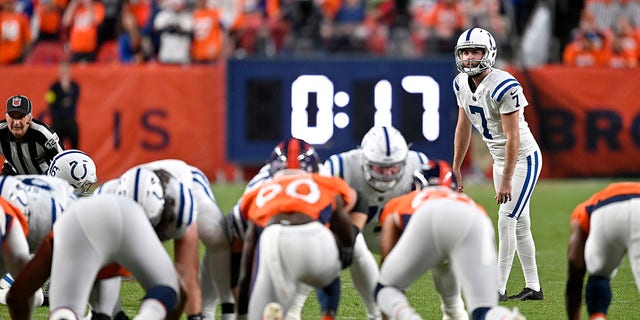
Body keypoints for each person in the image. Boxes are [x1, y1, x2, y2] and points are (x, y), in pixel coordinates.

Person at [321, 125, 472, 320]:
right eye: (380, 168)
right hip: (358, 231)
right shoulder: (339, 166)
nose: (387, 174)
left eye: (393, 167)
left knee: (442, 248)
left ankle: (453, 310)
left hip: (401, 231)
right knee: (354, 246)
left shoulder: (418, 164)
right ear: (364, 159)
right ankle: (374, 313)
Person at [451, 27, 543, 301]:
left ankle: (497, 288)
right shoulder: (460, 83)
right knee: (521, 222)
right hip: (500, 161)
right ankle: (533, 287)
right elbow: (463, 126)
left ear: (489, 53)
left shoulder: (505, 85)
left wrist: (505, 178)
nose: (469, 58)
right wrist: (456, 166)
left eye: (475, 51)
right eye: (465, 52)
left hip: (523, 158)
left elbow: (513, 137)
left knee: (507, 219)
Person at [375, 160, 526, 320]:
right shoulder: (467, 201)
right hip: (475, 218)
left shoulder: (404, 201)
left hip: (427, 214)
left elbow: (387, 257)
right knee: (483, 309)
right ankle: (504, 317)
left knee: (385, 289)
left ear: (416, 185)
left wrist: (387, 287)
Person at [5, 194, 186, 320]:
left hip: (74, 222)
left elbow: (16, 297)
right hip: (129, 215)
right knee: (169, 290)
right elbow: (179, 293)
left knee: (66, 311)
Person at [236, 137, 356, 319]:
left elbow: (248, 260)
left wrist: (241, 313)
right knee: (330, 278)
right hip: (315, 236)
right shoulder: (324, 184)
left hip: (274, 239)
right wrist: (346, 249)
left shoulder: (258, 191)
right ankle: (328, 312)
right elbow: (344, 225)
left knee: (259, 311)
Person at [96, 161, 209, 320]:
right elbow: (93, 266)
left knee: (173, 288)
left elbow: (185, 269)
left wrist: (194, 315)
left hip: (183, 181)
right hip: (110, 230)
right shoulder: (102, 203)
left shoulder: (179, 203)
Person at [565, 182, 640, 320]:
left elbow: (574, 265)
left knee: (598, 274)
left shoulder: (584, 208)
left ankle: (597, 316)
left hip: (605, 211)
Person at [0, 95, 64, 176]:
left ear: (30, 118)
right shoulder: (1, 132)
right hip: (14, 173)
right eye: (12, 116)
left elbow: (63, 160)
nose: (16, 122)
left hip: (44, 178)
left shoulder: (43, 133)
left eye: (20, 117)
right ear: (6, 117)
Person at [45, 62, 81, 150]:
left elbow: (74, 99)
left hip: (70, 121)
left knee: (75, 138)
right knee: (56, 147)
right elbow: (51, 103)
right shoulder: (53, 87)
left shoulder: (75, 86)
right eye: (63, 71)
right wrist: (64, 100)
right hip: (58, 122)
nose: (65, 74)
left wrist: (65, 91)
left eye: (66, 71)